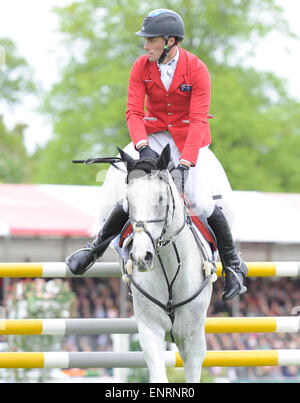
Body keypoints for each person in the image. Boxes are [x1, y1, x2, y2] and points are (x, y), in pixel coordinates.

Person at [66, 9, 247, 301]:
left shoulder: (197, 69)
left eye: (151, 40)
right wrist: (141, 146)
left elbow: (199, 120)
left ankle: (233, 265)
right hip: (152, 136)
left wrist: (186, 162)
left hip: (190, 138)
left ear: (170, 41)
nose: (146, 45)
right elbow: (134, 112)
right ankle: (94, 249)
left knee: (200, 201)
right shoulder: (141, 67)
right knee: (129, 194)